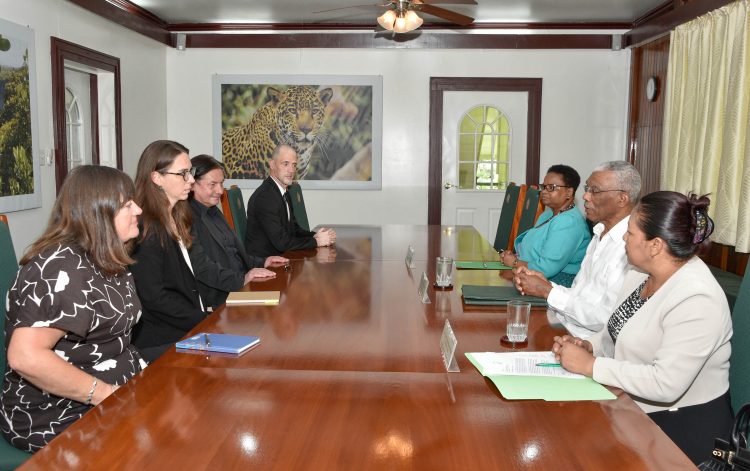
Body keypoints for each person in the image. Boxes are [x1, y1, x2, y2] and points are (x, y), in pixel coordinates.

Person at [552, 191, 732, 464]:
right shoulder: (640, 274)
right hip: (630, 406)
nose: (624, 237)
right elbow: (615, 331)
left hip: (679, 430)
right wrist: (590, 345)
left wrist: (590, 366)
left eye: (631, 232)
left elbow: (665, 384)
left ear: (655, 245)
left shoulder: (697, 298)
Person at [0, 165, 146, 452]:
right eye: (128, 204)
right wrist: (106, 394)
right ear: (98, 212)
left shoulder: (106, 256)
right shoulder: (61, 268)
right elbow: (24, 357)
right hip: (55, 413)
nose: (139, 209)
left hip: (113, 390)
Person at [130, 140, 269, 362]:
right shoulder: (147, 228)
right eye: (183, 174)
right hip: (164, 339)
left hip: (189, 326)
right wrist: (205, 321)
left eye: (191, 173)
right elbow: (154, 297)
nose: (191, 180)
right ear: (157, 178)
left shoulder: (177, 217)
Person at [513, 161, 641, 338]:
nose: (586, 197)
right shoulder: (599, 234)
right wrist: (547, 284)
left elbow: (606, 318)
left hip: (590, 344)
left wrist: (547, 291)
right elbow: (579, 294)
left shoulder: (633, 246)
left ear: (622, 198)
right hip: (568, 326)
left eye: (594, 191)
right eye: (587, 188)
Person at [189, 154, 287, 308]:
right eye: (212, 184)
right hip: (223, 298)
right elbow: (202, 268)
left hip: (240, 286)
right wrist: (243, 279)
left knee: (287, 295)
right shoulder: (187, 218)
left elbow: (235, 254)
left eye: (221, 183)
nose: (220, 191)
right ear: (192, 184)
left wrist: (264, 261)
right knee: (279, 308)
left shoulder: (214, 211)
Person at [500, 165, 591, 287]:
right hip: (532, 273)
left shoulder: (569, 222)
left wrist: (515, 262)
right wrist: (513, 257)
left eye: (551, 188)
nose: (543, 191)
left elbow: (546, 268)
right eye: (543, 187)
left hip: (557, 283)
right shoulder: (548, 213)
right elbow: (534, 247)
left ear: (569, 192)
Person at [245, 144, 336, 258]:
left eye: (294, 165)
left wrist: (315, 236)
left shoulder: (283, 192)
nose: (291, 170)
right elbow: (282, 243)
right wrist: (316, 242)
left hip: (281, 258)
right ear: (272, 164)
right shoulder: (265, 197)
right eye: (285, 164)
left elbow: (294, 229)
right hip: (264, 266)